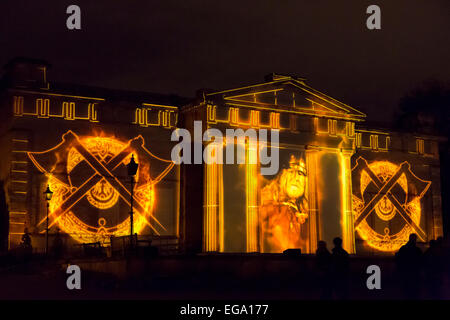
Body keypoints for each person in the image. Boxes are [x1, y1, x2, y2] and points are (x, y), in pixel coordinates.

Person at [395, 233, 423, 299]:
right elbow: (421, 261)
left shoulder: (403, 249)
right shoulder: (417, 250)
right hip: (414, 274)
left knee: (406, 292)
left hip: (406, 274)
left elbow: (399, 260)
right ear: (415, 240)